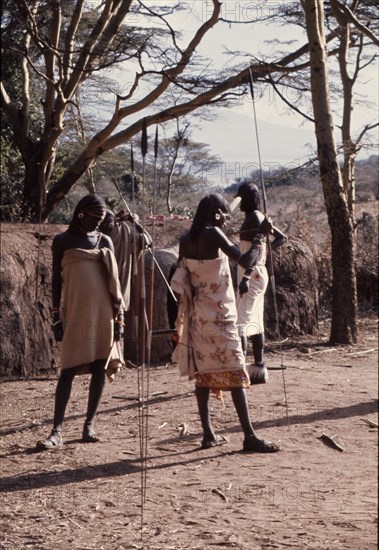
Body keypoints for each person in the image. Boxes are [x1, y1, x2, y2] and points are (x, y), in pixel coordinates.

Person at [171, 193, 280, 453]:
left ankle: (209, 434)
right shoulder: (212, 234)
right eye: (225, 216)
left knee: (204, 376)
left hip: (199, 316)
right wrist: (259, 239)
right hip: (221, 315)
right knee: (235, 372)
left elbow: (180, 276)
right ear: (217, 214)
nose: (226, 221)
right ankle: (249, 436)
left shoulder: (185, 241)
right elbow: (244, 260)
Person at [36, 194, 125, 450]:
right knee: (67, 370)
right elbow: (55, 279)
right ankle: (57, 430)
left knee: (99, 366)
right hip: (75, 314)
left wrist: (120, 319)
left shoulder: (104, 241)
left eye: (102, 219)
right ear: (80, 214)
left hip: (104, 313)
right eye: (95, 218)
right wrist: (55, 315)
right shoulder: (62, 241)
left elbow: (115, 285)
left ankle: (89, 424)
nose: (99, 223)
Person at [236, 181, 287, 384]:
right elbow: (281, 238)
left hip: (252, 274)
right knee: (255, 322)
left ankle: (239, 371)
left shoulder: (254, 217)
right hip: (257, 271)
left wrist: (247, 275)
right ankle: (258, 368)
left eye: (240, 197)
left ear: (247, 199)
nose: (238, 202)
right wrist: (265, 252)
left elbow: (257, 250)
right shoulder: (258, 217)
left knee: (241, 323)